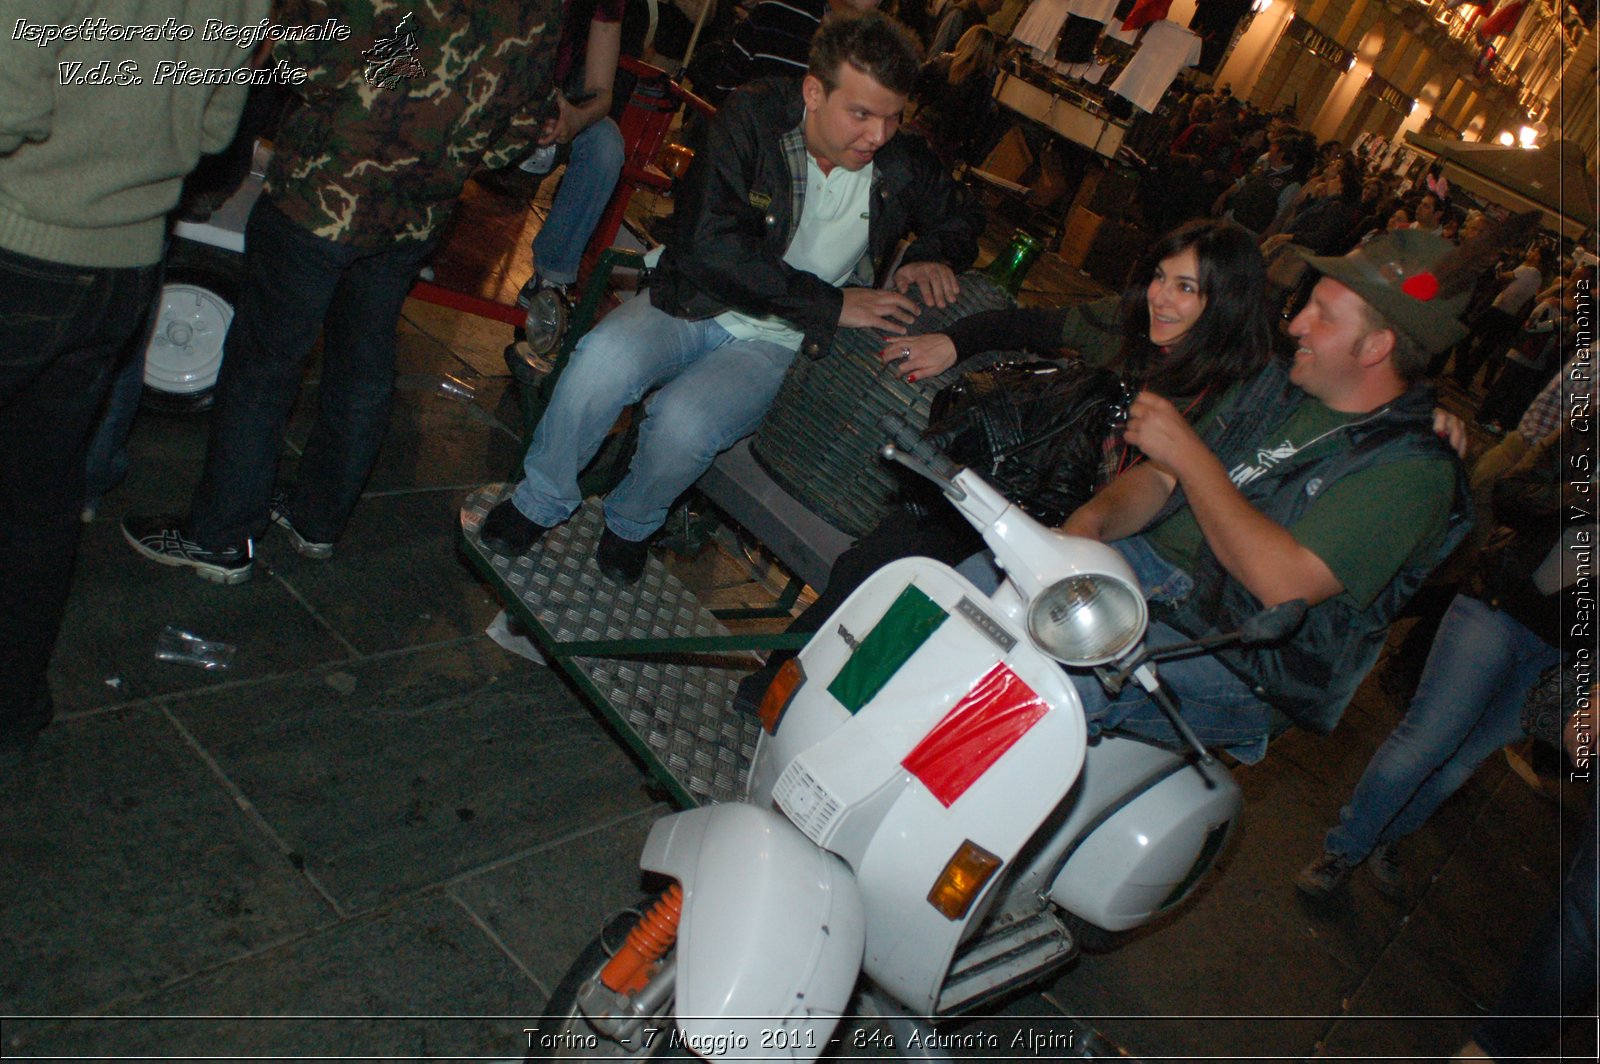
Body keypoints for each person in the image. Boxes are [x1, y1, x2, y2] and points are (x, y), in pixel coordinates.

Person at [478, 12, 983, 584]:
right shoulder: (754, 118)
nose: (878, 136)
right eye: (861, 114)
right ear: (814, 92)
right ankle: (540, 500)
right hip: (701, 295)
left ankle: (632, 522)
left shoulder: (898, 160)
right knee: (601, 362)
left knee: (685, 426)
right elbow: (711, 246)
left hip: (782, 340)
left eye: (892, 118)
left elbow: (965, 215)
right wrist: (831, 304)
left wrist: (933, 251)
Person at [733, 219, 1276, 710]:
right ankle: (786, 686)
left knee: (954, 622)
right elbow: (1025, 326)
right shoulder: (1127, 322)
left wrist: (1078, 534)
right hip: (1020, 491)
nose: (1161, 298)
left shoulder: (1229, 392)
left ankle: (850, 714)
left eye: (1186, 288)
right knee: (887, 559)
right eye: (1160, 277)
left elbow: (1164, 488)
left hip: (1092, 546)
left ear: (1225, 302)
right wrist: (953, 342)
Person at [122, 2, 563, 584]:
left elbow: (308, 60)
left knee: (265, 364)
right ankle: (317, 520)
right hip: (416, 213)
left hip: (323, 196)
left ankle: (220, 535)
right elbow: (515, 137)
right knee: (364, 363)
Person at [1055, 227, 1491, 761]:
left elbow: (1283, 583)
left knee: (1063, 678)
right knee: (984, 585)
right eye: (1306, 303)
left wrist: (1191, 456)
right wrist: (1085, 530)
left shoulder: (1414, 474)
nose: (1297, 323)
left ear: (1378, 346)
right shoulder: (1275, 383)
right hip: (1149, 580)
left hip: (1237, 656)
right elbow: (1159, 477)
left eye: (1323, 314)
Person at [1, 0, 266, 761]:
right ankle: (12, 709)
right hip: (125, 264)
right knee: (40, 499)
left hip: (19, 241)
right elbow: (216, 129)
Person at [1295, 424, 1593, 899]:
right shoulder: (1588, 430)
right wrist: (1586, 495)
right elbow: (1512, 493)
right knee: (1426, 740)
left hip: (1566, 649)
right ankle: (1345, 848)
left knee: (1463, 761)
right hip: (1498, 605)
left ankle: (1387, 837)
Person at [514, 0, 629, 345]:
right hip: (485, 96)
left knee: (606, 143)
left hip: (549, 110)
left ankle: (551, 276)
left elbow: (601, 90)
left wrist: (577, 117)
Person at [907, 24, 1000, 165]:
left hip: (922, 123)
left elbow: (915, 81)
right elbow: (975, 121)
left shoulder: (943, 61)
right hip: (946, 143)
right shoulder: (982, 82)